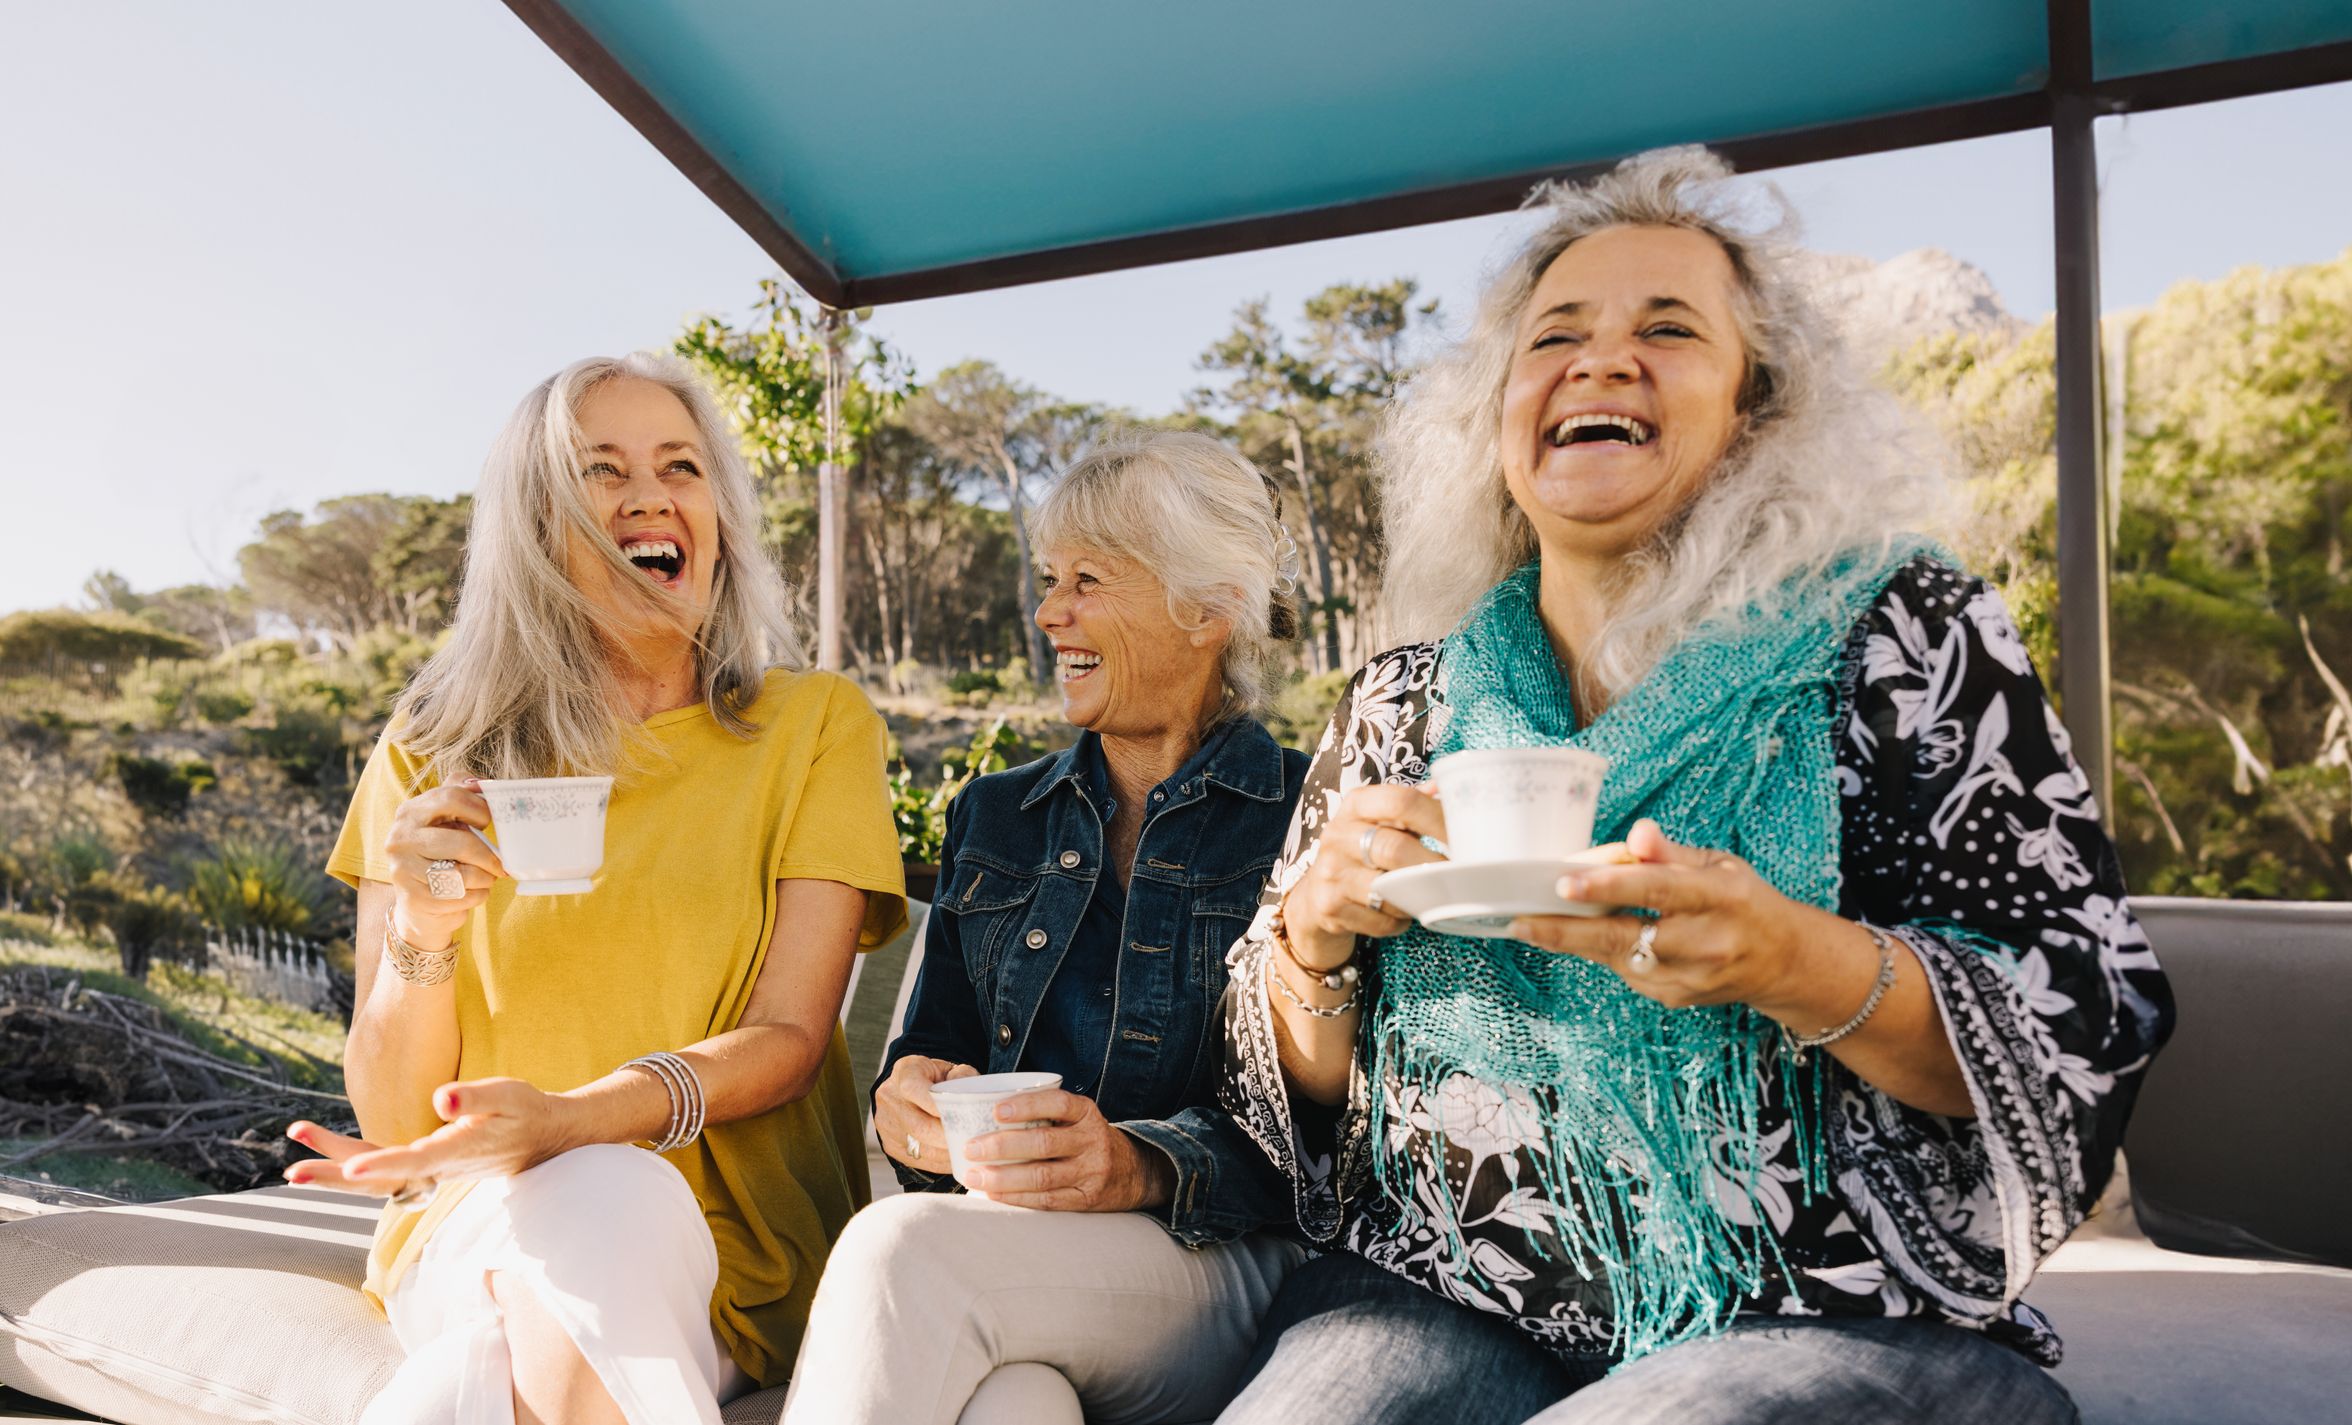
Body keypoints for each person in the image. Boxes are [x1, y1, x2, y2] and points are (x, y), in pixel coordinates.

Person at [1213, 147, 2175, 1425]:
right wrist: (1310, 943)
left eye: (1667, 330)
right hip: (1440, 1284)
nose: (1602, 361)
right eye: (1556, 335)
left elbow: (2081, 1022)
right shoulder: (1401, 701)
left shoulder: (1897, 632)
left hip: (1834, 1315)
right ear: (1499, 413)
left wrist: (1794, 961)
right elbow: (1280, 1101)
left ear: (1754, 414)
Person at [283, 353, 907, 1424]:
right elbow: (392, 1124)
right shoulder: (432, 748)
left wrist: (570, 1121)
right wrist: (424, 930)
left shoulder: (810, 726)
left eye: (681, 467)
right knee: (587, 1210)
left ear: (716, 514)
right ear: (535, 526)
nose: (652, 496)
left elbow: (791, 1038)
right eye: (602, 472)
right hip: (484, 1221)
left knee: (481, 1365)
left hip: (735, 1253)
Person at [786, 431, 1313, 1425]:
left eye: (1086, 580)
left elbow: (1337, 1139)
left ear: (1208, 607)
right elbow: (932, 1053)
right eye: (1047, 578)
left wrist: (1141, 1161)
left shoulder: (1310, 813)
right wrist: (910, 1107)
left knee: (903, 1249)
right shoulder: (995, 814)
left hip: (1231, 1272)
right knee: (1013, 1405)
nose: (1046, 612)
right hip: (1020, 1263)